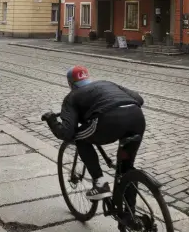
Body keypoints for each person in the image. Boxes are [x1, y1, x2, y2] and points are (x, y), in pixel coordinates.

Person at [42, 65, 145, 200]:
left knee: (79, 138)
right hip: (136, 117)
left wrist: (52, 120)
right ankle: (128, 217)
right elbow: (139, 99)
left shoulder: (72, 96)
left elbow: (67, 133)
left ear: (70, 83)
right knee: (125, 169)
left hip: (108, 120)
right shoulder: (106, 83)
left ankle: (100, 184)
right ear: (88, 78)